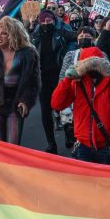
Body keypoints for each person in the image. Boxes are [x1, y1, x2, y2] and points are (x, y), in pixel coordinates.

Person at [51, 47, 110, 164]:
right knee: (84, 181)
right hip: (83, 145)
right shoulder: (77, 82)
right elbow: (57, 104)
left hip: (106, 144)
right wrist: (67, 79)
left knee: (105, 181)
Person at [0, 17, 41, 145]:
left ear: (13, 34)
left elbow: (33, 83)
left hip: (15, 104)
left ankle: (12, 166)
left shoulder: (28, 54)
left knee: (13, 146)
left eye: (4, 33)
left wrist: (26, 101)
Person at [31, 11, 70, 153]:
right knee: (45, 111)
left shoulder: (62, 33)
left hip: (59, 77)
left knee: (63, 108)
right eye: (43, 21)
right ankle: (51, 143)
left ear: (54, 21)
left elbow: (75, 36)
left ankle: (68, 135)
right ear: (39, 22)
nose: (46, 24)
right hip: (42, 79)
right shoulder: (34, 37)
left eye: (49, 21)